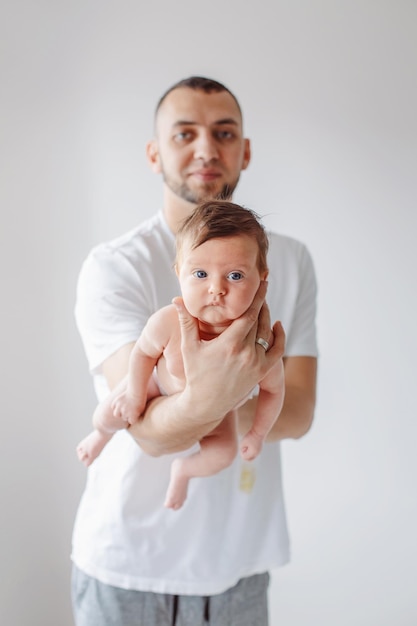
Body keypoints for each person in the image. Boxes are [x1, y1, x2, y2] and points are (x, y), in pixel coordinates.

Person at [72, 76, 318, 626]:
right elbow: (148, 431)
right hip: (130, 568)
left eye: (224, 133)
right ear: (155, 152)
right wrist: (227, 392)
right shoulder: (115, 266)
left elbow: (298, 411)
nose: (206, 149)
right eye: (185, 134)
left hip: (240, 566)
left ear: (245, 151)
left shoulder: (294, 263)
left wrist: (227, 411)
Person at [76, 201, 286, 510]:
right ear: (179, 272)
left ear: (262, 279)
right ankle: (100, 436)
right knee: (109, 412)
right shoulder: (169, 321)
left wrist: (257, 433)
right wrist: (136, 394)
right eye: (200, 273)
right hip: (157, 385)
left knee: (223, 454)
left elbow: (274, 390)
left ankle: (183, 472)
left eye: (236, 276)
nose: (216, 289)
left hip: (221, 412)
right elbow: (143, 355)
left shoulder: (256, 349)